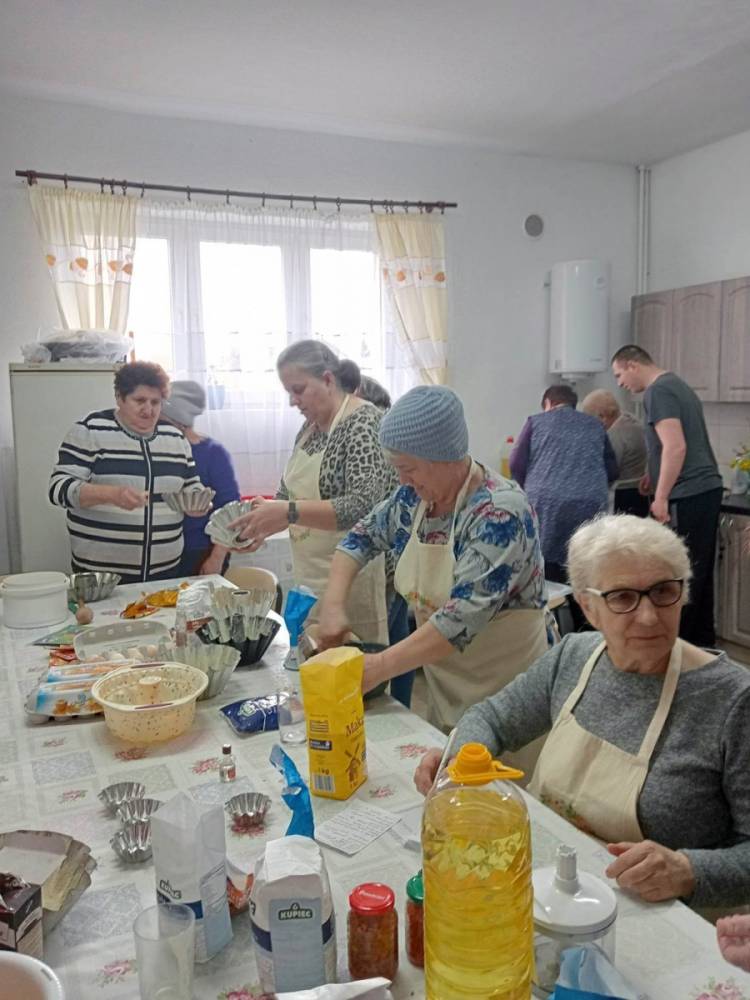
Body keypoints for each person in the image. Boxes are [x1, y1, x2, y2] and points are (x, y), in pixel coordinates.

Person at [414, 514, 750, 912]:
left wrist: (688, 870)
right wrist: (461, 760)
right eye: (622, 597)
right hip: (551, 893)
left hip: (663, 914)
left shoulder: (733, 701)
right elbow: (492, 718)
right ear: (589, 607)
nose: (648, 616)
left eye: (664, 591)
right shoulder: (574, 657)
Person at [317, 384, 549, 740]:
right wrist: (333, 607)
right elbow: (358, 540)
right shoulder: (412, 499)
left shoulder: (499, 513)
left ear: (445, 458)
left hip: (508, 695)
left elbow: (459, 620)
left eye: (408, 468)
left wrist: (378, 667)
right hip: (449, 688)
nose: (401, 479)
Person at [229, 340, 395, 644]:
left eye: (298, 389)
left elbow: (362, 507)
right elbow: (286, 495)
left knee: (353, 664)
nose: (293, 401)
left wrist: (287, 511)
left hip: (354, 579)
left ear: (328, 380)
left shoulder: (363, 421)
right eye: (288, 392)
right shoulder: (309, 429)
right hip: (312, 576)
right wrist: (261, 525)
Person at [49, 361, 203, 582]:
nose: (148, 410)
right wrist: (111, 494)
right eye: (139, 401)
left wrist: (198, 502)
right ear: (119, 397)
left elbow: (191, 485)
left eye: (156, 402)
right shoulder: (90, 430)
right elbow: (58, 489)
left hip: (165, 574)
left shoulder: (175, 438)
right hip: (100, 578)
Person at [611, 344, 723, 646]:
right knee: (698, 574)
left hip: (687, 493)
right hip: (704, 491)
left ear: (633, 365)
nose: (620, 383)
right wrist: (654, 474)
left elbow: (676, 446)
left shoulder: (657, 391)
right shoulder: (678, 385)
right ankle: (702, 647)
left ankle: (679, 649)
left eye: (619, 375)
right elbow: (672, 445)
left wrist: (660, 497)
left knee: (680, 574)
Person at [510, 384, 618, 585]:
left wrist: (529, 487)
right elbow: (612, 468)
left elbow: (516, 463)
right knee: (587, 558)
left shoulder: (535, 422)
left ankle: (553, 599)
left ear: (548, 403)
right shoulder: (595, 425)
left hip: (546, 501)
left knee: (546, 559)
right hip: (590, 500)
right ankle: (584, 602)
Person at [160, 380, 240, 576]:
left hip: (199, 551)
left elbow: (231, 509)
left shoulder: (213, 453)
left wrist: (216, 557)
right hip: (162, 553)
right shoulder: (156, 451)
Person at [581, 389, 648, 516]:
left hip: (622, 496)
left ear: (602, 417)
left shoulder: (615, 436)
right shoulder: (633, 422)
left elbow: (607, 472)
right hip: (640, 494)